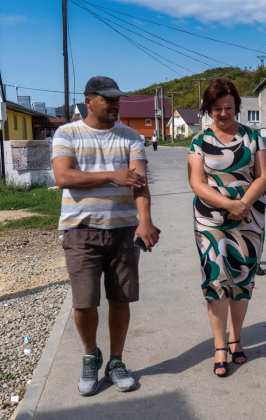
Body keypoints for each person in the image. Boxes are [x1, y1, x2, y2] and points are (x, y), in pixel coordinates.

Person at [52, 76, 159, 396]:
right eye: (107, 99)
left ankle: (115, 361)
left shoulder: (130, 137)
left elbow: (139, 183)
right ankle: (90, 355)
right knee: (84, 303)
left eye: (118, 100)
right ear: (89, 100)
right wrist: (113, 175)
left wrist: (146, 222)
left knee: (120, 299)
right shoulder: (67, 133)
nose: (115, 105)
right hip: (80, 231)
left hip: (124, 231)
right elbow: (64, 176)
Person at [188, 78, 266, 377]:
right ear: (209, 109)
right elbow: (197, 183)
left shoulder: (253, 136)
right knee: (215, 279)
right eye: (217, 109)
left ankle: (237, 339)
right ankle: (220, 345)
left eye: (229, 108)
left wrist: (243, 204)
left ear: (236, 106)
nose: (224, 114)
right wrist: (227, 204)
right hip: (210, 220)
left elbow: (263, 176)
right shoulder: (199, 141)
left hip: (249, 220)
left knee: (242, 278)